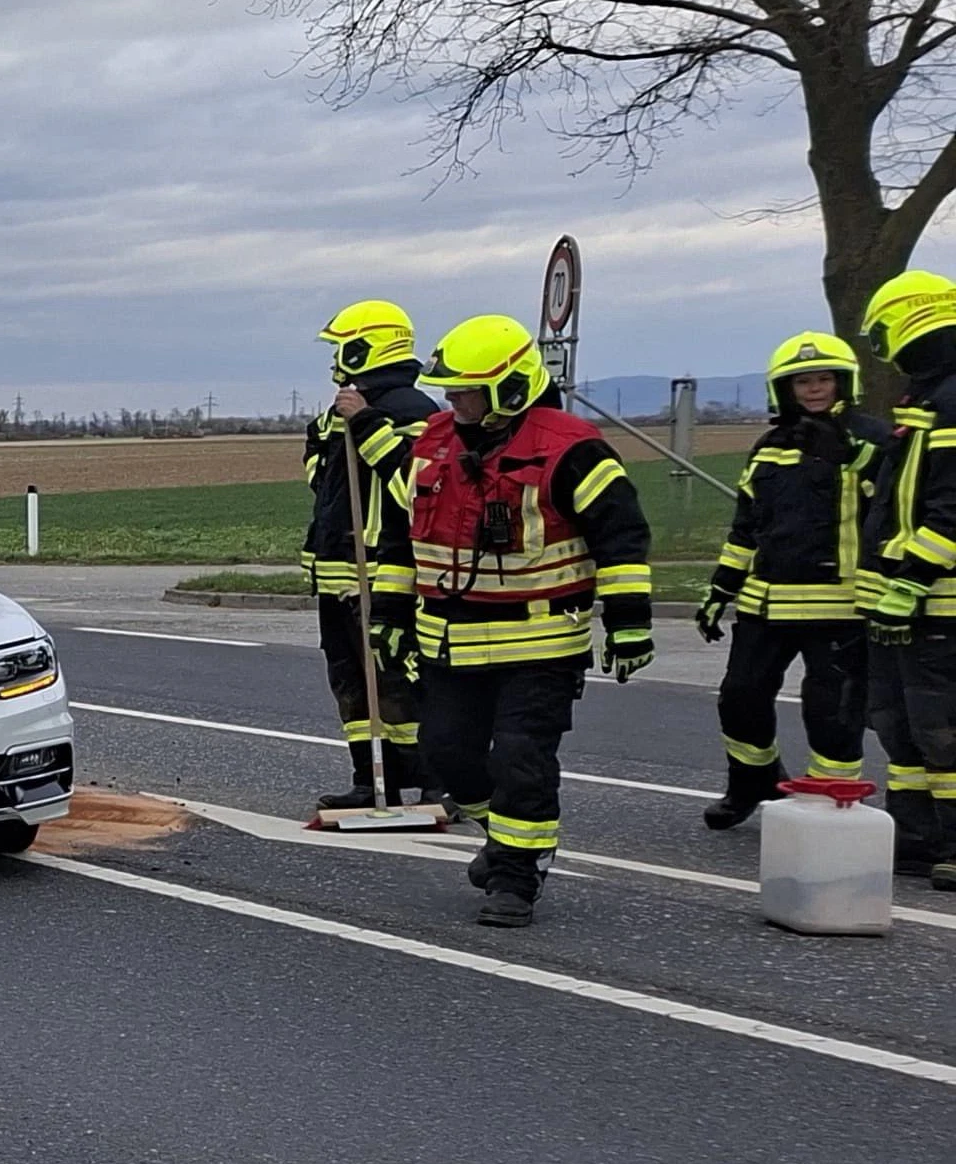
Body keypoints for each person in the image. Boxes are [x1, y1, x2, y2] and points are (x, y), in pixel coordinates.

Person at [404, 315, 651, 928]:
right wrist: (387, 615)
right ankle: (509, 838)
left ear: (510, 389)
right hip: (449, 639)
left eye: (465, 392)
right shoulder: (432, 443)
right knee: (445, 754)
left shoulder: (571, 447)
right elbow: (398, 543)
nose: (453, 403)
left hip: (539, 641)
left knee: (521, 757)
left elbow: (622, 537)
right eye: (450, 392)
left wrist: (628, 623)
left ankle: (516, 878)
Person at [695, 331, 888, 827]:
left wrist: (852, 457)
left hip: (840, 608)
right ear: (785, 389)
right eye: (803, 381)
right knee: (740, 699)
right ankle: (752, 783)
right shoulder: (769, 446)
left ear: (844, 382)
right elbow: (746, 528)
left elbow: (891, 508)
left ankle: (832, 806)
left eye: (824, 379)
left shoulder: (871, 440)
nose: (815, 389)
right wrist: (721, 589)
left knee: (832, 712)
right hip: (765, 606)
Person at [303, 299, 440, 807]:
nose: (335, 358)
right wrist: (323, 440)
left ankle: (432, 780)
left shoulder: (414, 414)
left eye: (342, 347)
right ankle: (371, 780)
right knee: (352, 684)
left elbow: (415, 486)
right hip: (339, 574)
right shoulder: (338, 414)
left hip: (387, 573)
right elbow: (324, 486)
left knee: (399, 679)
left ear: (369, 348)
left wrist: (365, 427)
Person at [857, 268, 956, 886]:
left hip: (937, 604)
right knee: (899, 728)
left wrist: (913, 579)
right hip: (901, 607)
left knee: (942, 731)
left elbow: (951, 507)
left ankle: (953, 843)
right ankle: (915, 837)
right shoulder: (928, 399)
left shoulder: (951, 402)